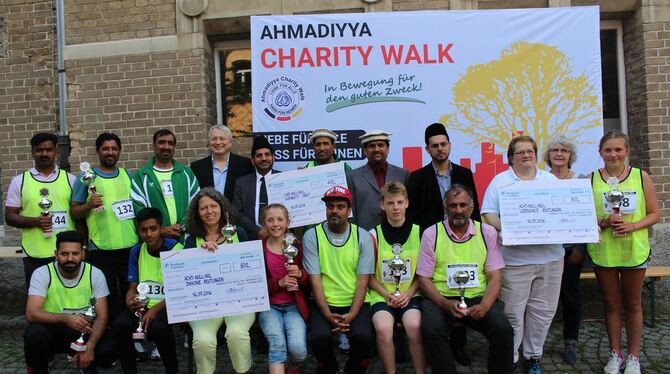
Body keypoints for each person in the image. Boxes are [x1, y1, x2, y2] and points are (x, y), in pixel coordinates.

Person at [481, 135, 564, 374]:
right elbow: (488, 213)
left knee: (543, 311)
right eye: (520, 152)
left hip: (550, 258)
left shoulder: (550, 180)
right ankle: (511, 356)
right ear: (511, 158)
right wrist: (508, 229)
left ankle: (533, 355)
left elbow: (563, 211)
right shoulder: (500, 182)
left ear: (536, 155)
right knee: (512, 312)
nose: (526, 155)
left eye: (530, 151)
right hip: (514, 260)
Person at [418, 184, 513, 373]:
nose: (458, 210)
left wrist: (485, 305)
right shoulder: (432, 233)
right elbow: (424, 279)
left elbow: (495, 277)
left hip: (477, 298)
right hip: (441, 297)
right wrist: (444, 303)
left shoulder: (487, 233)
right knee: (431, 330)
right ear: (446, 208)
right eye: (453, 206)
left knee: (503, 330)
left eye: (463, 205)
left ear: (471, 207)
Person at [587, 131, 659, 374]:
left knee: (634, 304)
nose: (613, 154)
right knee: (611, 304)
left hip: (633, 249)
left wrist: (632, 225)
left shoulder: (641, 177)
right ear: (600, 153)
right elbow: (584, 217)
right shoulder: (591, 179)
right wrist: (604, 221)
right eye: (608, 150)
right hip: (604, 250)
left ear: (627, 151)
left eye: (618, 149)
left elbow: (654, 214)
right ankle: (615, 354)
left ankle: (633, 357)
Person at [406, 122, 478, 363]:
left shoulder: (465, 174)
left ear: (450, 145)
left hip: (463, 242)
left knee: (462, 288)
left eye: (443, 144)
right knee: (438, 291)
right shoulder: (417, 178)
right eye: (434, 146)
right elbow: (413, 216)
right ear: (427, 149)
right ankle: (437, 343)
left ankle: (459, 344)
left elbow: (473, 210)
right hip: (433, 244)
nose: (440, 149)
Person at [302, 186, 375, 374]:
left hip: (355, 301)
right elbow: (315, 280)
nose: (335, 210)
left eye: (340, 206)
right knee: (318, 337)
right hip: (324, 302)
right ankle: (328, 366)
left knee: (363, 336)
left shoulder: (363, 236)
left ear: (348, 210)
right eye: (330, 206)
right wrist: (327, 314)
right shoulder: (312, 235)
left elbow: (362, 280)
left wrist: (351, 314)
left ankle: (354, 367)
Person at [24, 230, 115, 373]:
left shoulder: (95, 274)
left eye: (75, 253)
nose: (70, 259)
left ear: (83, 254)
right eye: (64, 254)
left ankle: (86, 361)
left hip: (85, 329)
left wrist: (89, 347)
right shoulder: (42, 273)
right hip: (56, 329)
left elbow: (102, 316)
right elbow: (31, 313)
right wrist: (66, 318)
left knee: (108, 350)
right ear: (56, 254)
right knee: (34, 334)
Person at [184, 187, 253, 374]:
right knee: (203, 340)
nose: (209, 211)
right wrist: (200, 254)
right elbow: (187, 279)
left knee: (236, 333)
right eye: (203, 208)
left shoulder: (239, 233)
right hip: (206, 305)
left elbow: (252, 268)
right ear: (197, 213)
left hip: (239, 301)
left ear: (222, 208)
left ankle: (243, 371)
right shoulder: (192, 241)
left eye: (213, 206)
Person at [71, 132, 138, 318]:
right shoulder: (86, 177)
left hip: (129, 247)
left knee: (131, 293)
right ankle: (108, 336)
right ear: (97, 151)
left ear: (119, 151)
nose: (110, 152)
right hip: (100, 248)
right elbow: (74, 212)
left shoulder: (128, 176)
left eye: (114, 148)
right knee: (106, 296)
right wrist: (88, 205)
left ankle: (132, 334)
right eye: (105, 148)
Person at [112, 208, 183, 374]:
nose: (149, 234)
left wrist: (155, 310)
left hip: (169, 304)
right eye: (144, 230)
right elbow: (132, 287)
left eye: (153, 229)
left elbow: (181, 290)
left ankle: (172, 370)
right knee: (119, 325)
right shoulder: (136, 251)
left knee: (159, 328)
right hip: (143, 304)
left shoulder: (176, 249)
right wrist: (131, 301)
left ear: (161, 228)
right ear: (138, 231)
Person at [5, 132, 77, 288]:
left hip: (67, 253)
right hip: (34, 253)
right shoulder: (19, 181)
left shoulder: (70, 180)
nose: (44, 154)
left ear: (56, 152)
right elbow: (10, 217)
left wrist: (82, 246)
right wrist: (35, 222)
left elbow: (78, 215)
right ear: (32, 152)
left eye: (48, 149)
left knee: (67, 296)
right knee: (37, 298)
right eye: (39, 150)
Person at [367, 182, 425, 373]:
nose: (396, 207)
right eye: (390, 203)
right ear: (382, 205)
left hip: (411, 294)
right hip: (382, 295)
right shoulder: (373, 235)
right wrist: (386, 294)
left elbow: (424, 273)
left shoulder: (421, 232)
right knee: (383, 329)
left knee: (414, 326)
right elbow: (368, 275)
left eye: (400, 202)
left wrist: (408, 293)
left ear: (407, 203)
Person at [542, 137, 587, 364]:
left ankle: (570, 342)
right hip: (545, 249)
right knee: (540, 299)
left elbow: (586, 216)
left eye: (564, 150)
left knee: (570, 297)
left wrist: (580, 247)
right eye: (555, 150)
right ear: (548, 155)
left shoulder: (581, 180)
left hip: (571, 252)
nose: (559, 154)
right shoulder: (540, 180)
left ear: (571, 155)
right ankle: (534, 346)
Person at [258, 204, 309, 374]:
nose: (275, 224)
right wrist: (278, 283)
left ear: (288, 222)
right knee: (277, 345)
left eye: (280, 219)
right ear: (264, 223)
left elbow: (311, 279)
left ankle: (293, 367)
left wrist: (300, 275)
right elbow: (252, 285)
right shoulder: (259, 249)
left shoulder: (297, 246)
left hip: (294, 306)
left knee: (298, 351)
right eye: (270, 220)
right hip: (269, 307)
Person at [131, 129, 200, 240]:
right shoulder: (142, 175)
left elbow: (196, 204)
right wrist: (161, 229)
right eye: (161, 142)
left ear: (174, 147)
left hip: (184, 238)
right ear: (154, 145)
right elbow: (139, 209)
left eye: (170, 143)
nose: (166, 146)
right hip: (156, 241)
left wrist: (182, 226)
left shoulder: (186, 173)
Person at [347, 130, 410, 231]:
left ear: (388, 149)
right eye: (372, 146)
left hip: (399, 234)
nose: (376, 149)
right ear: (365, 151)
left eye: (381, 145)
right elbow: (350, 213)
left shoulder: (403, 174)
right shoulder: (352, 177)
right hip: (365, 236)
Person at [191, 124, 255, 204]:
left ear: (230, 142)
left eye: (222, 138)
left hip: (236, 215)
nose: (218, 142)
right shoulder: (197, 167)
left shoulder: (245, 165)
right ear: (208, 142)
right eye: (214, 139)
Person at [233, 135, 281, 239]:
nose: (264, 158)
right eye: (259, 155)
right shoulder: (241, 183)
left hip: (279, 238)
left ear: (273, 157)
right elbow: (237, 213)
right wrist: (257, 231)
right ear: (252, 160)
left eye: (267, 155)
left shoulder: (284, 179)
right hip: (251, 238)